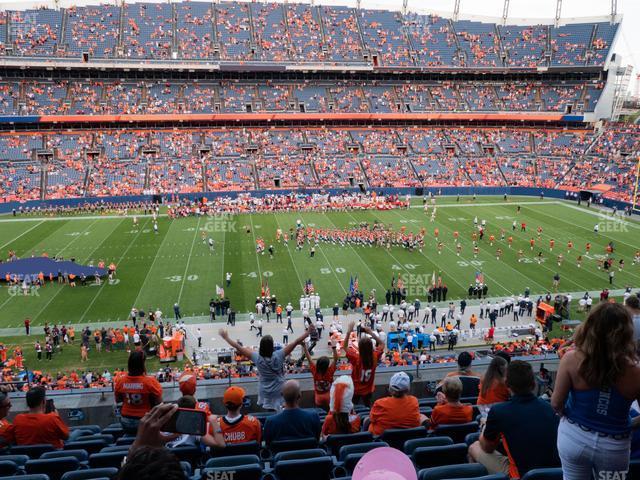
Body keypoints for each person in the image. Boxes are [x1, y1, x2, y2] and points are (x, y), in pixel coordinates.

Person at [551, 302, 640, 480]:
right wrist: (628, 424)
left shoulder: (571, 359)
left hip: (574, 436)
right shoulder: (635, 372)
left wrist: (565, 416)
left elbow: (555, 403)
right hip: (614, 445)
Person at [469, 361, 560, 478]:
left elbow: (487, 447)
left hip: (521, 476)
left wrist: (484, 427)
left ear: (507, 384)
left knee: (474, 446)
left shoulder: (499, 411)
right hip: (554, 475)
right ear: (533, 384)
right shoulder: (549, 408)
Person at [219, 329, 308, 411]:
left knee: (269, 412)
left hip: (265, 391)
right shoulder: (280, 355)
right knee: (281, 409)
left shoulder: (257, 357)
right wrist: (308, 333)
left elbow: (238, 347)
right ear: (272, 346)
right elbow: (296, 342)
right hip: (279, 389)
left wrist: (226, 338)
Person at [1, 387, 70, 449]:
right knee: (78, 432)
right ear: (43, 402)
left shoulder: (18, 419)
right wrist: (56, 416)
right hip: (55, 458)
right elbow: (66, 436)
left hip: (28, 460)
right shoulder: (52, 417)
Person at [114, 351, 163, 433]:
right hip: (145, 421)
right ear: (142, 365)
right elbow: (159, 403)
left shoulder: (120, 381)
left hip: (125, 421)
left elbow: (118, 401)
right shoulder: (150, 382)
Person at [368, 372, 427, 436]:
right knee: (422, 416)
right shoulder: (414, 401)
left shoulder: (379, 403)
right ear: (408, 389)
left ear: (390, 388)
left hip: (381, 439)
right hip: (409, 436)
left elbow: (372, 419)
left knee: (366, 420)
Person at [263, 380, 321, 444]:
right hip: (310, 454)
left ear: (282, 395)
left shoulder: (271, 421)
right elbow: (317, 440)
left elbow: (268, 444)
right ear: (300, 395)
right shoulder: (314, 417)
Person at [343, 321, 385, 407]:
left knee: (353, 406)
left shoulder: (356, 358)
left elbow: (345, 347)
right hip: (368, 389)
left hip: (356, 389)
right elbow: (382, 343)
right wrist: (370, 332)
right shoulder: (375, 356)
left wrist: (348, 331)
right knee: (368, 405)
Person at [303, 341, 338, 409]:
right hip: (329, 396)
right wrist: (334, 347)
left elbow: (309, 358)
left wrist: (304, 346)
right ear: (327, 365)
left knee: (319, 411)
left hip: (318, 398)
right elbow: (336, 359)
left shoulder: (315, 371)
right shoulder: (330, 371)